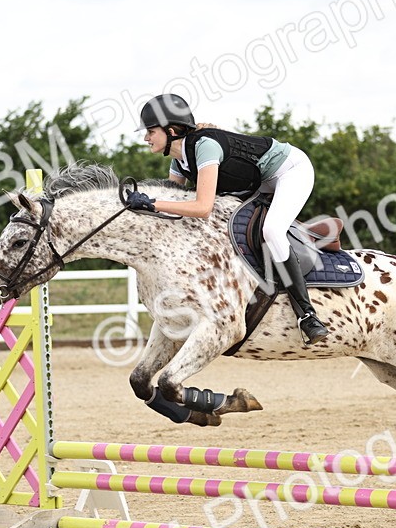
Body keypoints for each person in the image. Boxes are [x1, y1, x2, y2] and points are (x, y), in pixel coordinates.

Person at [127, 93, 329, 345]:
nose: (146, 138)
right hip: (257, 181)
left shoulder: (205, 147)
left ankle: (307, 315)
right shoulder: (179, 161)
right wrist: (144, 203)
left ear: (171, 131)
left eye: (150, 131)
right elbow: (173, 201)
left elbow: (202, 207)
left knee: (272, 230)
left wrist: (153, 203)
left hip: (290, 170)